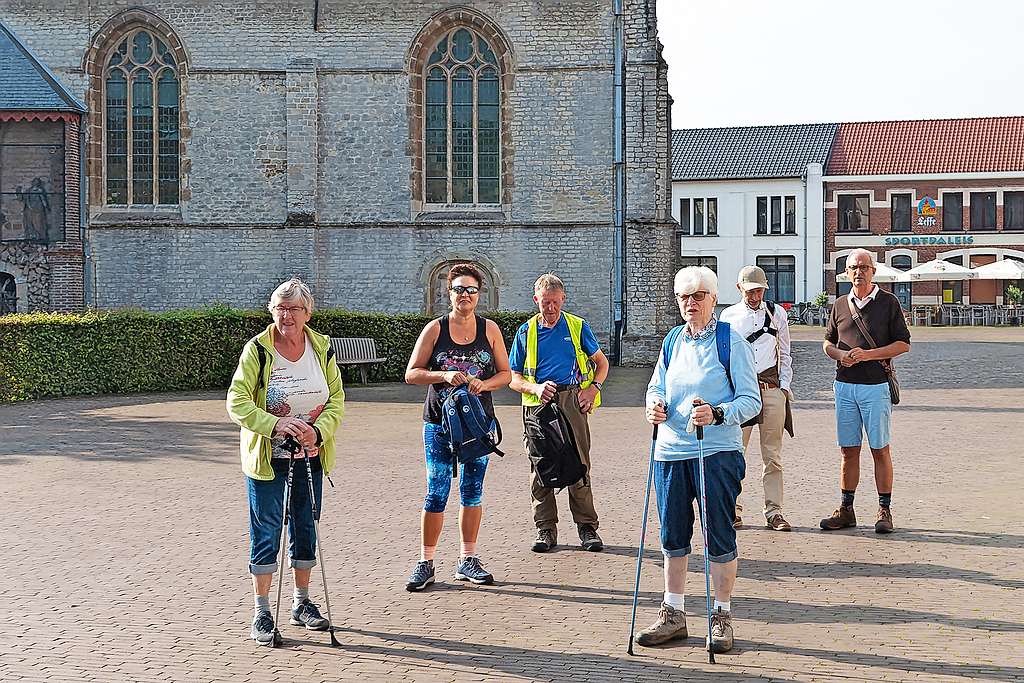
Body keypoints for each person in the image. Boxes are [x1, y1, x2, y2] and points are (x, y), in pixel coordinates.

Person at [637, 266, 761, 652]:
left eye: (697, 296)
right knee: (672, 534)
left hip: (716, 451)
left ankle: (721, 614)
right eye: (683, 297)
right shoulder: (672, 340)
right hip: (670, 450)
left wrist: (718, 412)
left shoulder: (730, 341)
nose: (689, 303)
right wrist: (653, 405)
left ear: (713, 298)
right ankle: (673, 613)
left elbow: (751, 400)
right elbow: (657, 384)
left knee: (718, 534)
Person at [226, 278, 346, 646]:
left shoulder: (321, 348)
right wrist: (275, 424)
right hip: (268, 459)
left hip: (309, 455)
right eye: (279, 307)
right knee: (266, 533)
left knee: (306, 528)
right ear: (271, 310)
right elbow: (237, 402)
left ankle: (302, 602)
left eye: (294, 308)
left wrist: (318, 433)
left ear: (308, 313)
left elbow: (337, 400)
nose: (286, 315)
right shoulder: (258, 351)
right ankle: (262, 610)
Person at [404, 263, 511, 591]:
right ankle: (426, 562)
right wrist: (444, 375)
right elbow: (412, 373)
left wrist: (485, 384)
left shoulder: (489, 329)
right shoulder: (435, 329)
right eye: (458, 290)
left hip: (477, 425)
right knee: (436, 492)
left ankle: (467, 559)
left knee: (471, 492)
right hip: (439, 423)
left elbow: (506, 374)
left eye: (471, 290)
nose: (464, 295)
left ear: (480, 294)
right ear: (448, 293)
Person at [508, 273, 609, 553]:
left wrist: (593, 390)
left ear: (563, 299)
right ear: (535, 300)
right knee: (540, 467)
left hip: (571, 400)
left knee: (579, 464)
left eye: (555, 302)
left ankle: (587, 528)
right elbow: (512, 378)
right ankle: (545, 529)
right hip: (536, 405)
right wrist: (536, 388)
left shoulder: (577, 326)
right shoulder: (525, 332)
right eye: (545, 303)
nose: (550, 308)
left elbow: (601, 363)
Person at [821, 248, 910, 534]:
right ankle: (846, 509)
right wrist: (839, 355)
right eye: (853, 267)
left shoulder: (888, 302)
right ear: (846, 273)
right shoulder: (839, 305)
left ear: (873, 271)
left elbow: (903, 344)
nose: (858, 272)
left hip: (875, 387)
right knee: (848, 451)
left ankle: (885, 509)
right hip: (845, 386)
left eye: (864, 267)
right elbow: (827, 342)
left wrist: (869, 355)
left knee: (879, 449)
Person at [720, 265, 794, 531]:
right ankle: (733, 510)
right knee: (735, 453)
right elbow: (724, 357)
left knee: (772, 456)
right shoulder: (728, 316)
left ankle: (774, 512)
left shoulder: (777, 314)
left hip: (771, 388)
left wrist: (784, 388)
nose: (755, 296)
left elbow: (785, 353)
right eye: (750, 291)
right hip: (741, 393)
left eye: (759, 291)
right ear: (739, 289)